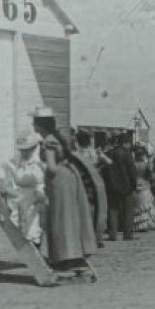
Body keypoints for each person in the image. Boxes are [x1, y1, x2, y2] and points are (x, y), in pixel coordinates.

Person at [31, 107, 99, 274]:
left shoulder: (48, 142)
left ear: (40, 125)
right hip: (70, 178)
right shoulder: (58, 138)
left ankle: (63, 258)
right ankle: (75, 254)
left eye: (34, 123)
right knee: (72, 217)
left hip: (59, 181)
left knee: (60, 218)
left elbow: (52, 167)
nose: (33, 126)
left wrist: (44, 167)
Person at [0, 132, 47, 245]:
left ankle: (35, 247)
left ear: (33, 149)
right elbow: (14, 178)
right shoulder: (19, 162)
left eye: (27, 149)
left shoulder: (38, 163)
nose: (24, 152)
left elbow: (40, 179)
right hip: (23, 196)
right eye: (22, 150)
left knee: (34, 223)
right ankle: (30, 247)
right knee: (24, 223)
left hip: (36, 195)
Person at [102, 135, 140, 241]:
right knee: (128, 212)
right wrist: (134, 185)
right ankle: (127, 234)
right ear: (125, 143)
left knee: (113, 211)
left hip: (111, 187)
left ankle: (112, 234)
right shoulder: (127, 155)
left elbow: (104, 171)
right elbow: (132, 172)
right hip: (126, 187)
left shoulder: (108, 154)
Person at [73, 131, 111, 240]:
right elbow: (109, 162)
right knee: (97, 207)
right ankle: (96, 234)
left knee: (82, 207)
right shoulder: (95, 153)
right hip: (95, 181)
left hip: (82, 181)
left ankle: (84, 234)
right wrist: (99, 166)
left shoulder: (77, 153)